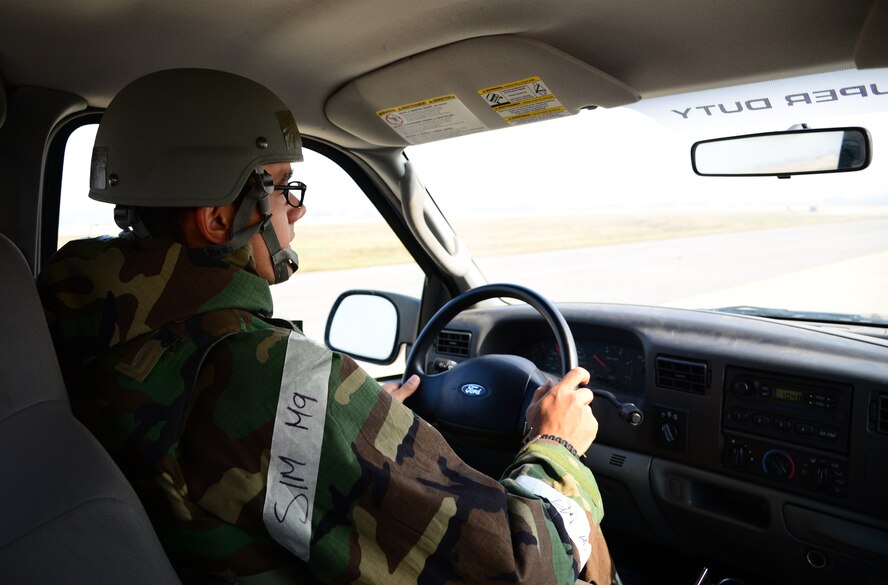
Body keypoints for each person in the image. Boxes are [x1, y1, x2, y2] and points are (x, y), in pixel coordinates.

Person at [38, 68, 618, 585]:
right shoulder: (262, 376)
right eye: (283, 188)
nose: (298, 210)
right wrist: (556, 447)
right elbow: (518, 567)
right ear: (218, 218)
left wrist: (353, 417)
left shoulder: (75, 325)